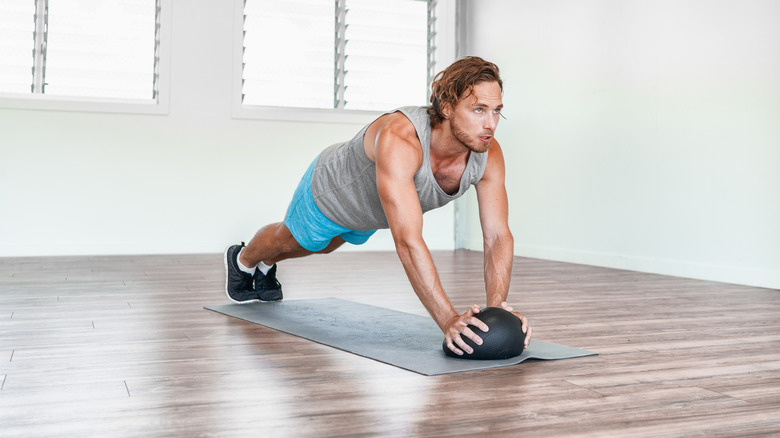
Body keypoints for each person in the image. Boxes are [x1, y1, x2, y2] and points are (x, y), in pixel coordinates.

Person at [224, 56, 532, 356]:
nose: (490, 124)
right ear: (448, 108)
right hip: (333, 191)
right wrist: (448, 320)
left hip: (373, 212)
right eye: (479, 110)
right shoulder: (401, 138)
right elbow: (409, 241)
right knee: (291, 238)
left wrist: (496, 310)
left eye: (496, 111)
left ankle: (266, 266)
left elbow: (497, 236)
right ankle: (244, 261)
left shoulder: (487, 155)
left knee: (325, 247)